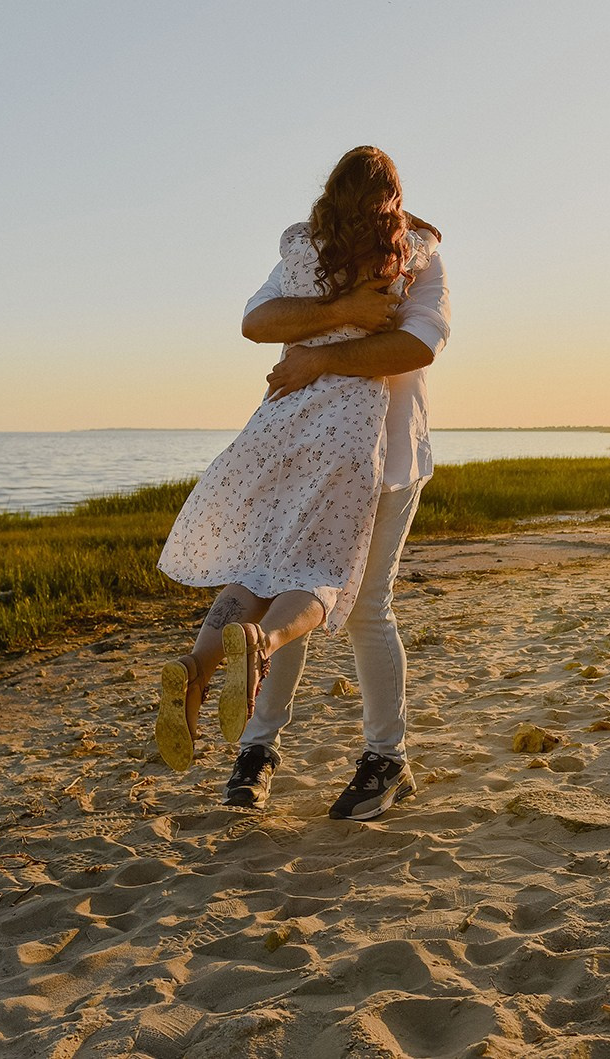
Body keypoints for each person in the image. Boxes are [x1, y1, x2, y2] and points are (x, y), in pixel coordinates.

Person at [154, 146, 450, 821]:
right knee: (303, 584)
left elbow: (417, 346)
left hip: (369, 451)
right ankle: (258, 748)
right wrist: (336, 317)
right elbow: (259, 321)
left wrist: (314, 354)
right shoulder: (395, 258)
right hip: (337, 446)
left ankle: (381, 756)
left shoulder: (343, 256)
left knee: (321, 591)